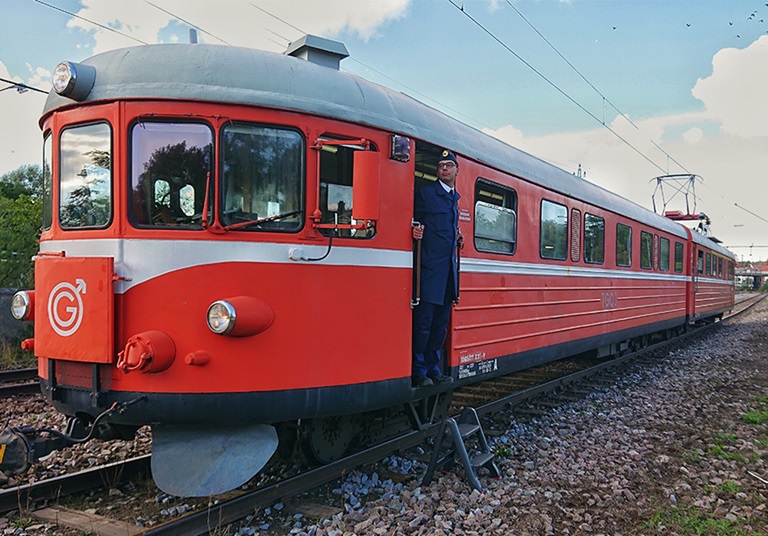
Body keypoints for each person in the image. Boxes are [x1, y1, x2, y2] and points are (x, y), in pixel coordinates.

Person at [411, 149, 461, 388]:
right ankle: (419, 371)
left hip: (448, 274)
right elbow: (411, 219)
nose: (444, 168)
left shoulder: (455, 199)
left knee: (440, 328)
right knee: (423, 326)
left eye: (449, 165)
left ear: (456, 170)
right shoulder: (426, 194)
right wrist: (413, 229)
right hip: (430, 271)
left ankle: (434, 369)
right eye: (441, 165)